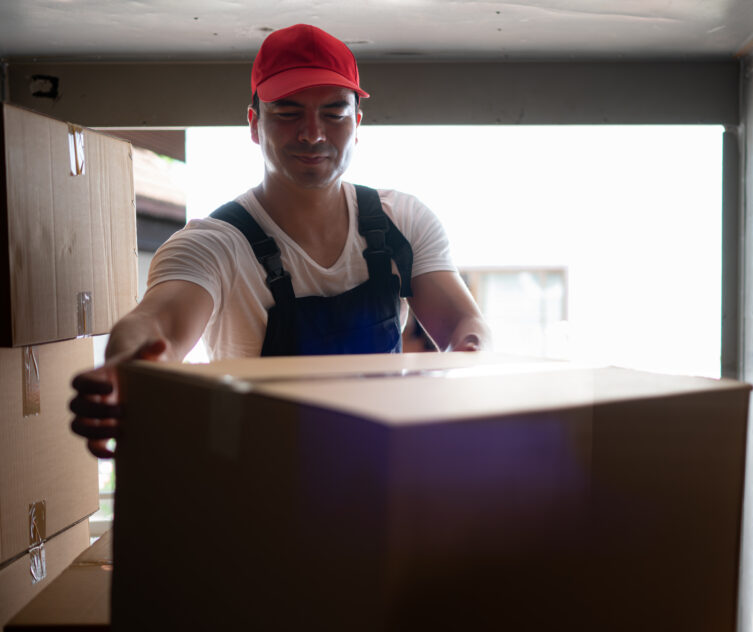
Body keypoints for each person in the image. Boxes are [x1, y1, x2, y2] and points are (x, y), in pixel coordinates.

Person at [70, 24, 491, 458]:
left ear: (357, 123)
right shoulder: (215, 245)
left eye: (334, 113)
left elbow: (465, 325)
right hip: (260, 487)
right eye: (289, 112)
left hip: (378, 475)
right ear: (255, 124)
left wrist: (471, 354)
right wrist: (126, 368)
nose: (313, 133)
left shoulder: (402, 220)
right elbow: (158, 321)